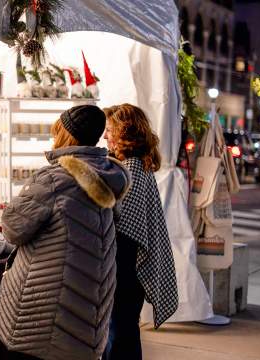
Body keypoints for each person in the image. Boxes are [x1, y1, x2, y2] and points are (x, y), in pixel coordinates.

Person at [0, 105, 131, 360]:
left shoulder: (54, 178)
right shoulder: (109, 175)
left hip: (47, 303)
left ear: (66, 134)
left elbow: (13, 228)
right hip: (88, 299)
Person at [102, 104, 178, 360]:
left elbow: (126, 230)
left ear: (124, 131)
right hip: (129, 267)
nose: (105, 136)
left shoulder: (130, 168)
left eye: (109, 130)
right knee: (124, 332)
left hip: (125, 267)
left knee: (120, 334)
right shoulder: (136, 164)